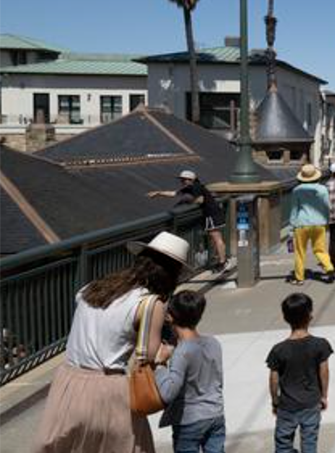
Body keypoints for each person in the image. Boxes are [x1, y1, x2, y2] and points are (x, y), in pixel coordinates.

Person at [34, 231, 188, 453]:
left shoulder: (92, 288)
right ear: (171, 274)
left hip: (67, 382)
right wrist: (167, 352)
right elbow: (150, 356)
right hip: (107, 390)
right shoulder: (149, 303)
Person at [155, 290, 225, 453]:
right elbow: (218, 380)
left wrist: (160, 364)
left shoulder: (182, 352)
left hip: (189, 420)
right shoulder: (213, 343)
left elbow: (168, 392)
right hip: (215, 414)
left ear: (169, 317)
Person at [267, 294, 332, 453]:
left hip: (287, 406)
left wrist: (275, 401)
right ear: (310, 315)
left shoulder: (278, 350)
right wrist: (323, 395)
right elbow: (324, 371)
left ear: (285, 318)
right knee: (309, 441)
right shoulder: (320, 344)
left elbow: (274, 378)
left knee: (283, 442)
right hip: (311, 403)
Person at [149, 171, 227, 271]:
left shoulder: (195, 187)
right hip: (213, 213)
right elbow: (174, 193)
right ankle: (221, 260)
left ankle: (222, 262)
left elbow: (201, 200)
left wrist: (187, 200)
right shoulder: (192, 187)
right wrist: (159, 193)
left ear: (190, 180)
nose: (182, 181)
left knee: (216, 238)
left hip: (211, 214)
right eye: (181, 180)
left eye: (183, 180)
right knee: (216, 238)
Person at [289, 165, 335, 285]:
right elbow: (328, 207)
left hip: (302, 223)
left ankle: (299, 277)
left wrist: (291, 225)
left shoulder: (297, 190)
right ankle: (329, 268)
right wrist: (327, 221)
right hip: (319, 223)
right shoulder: (323, 189)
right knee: (320, 249)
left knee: (300, 252)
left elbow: (295, 209)